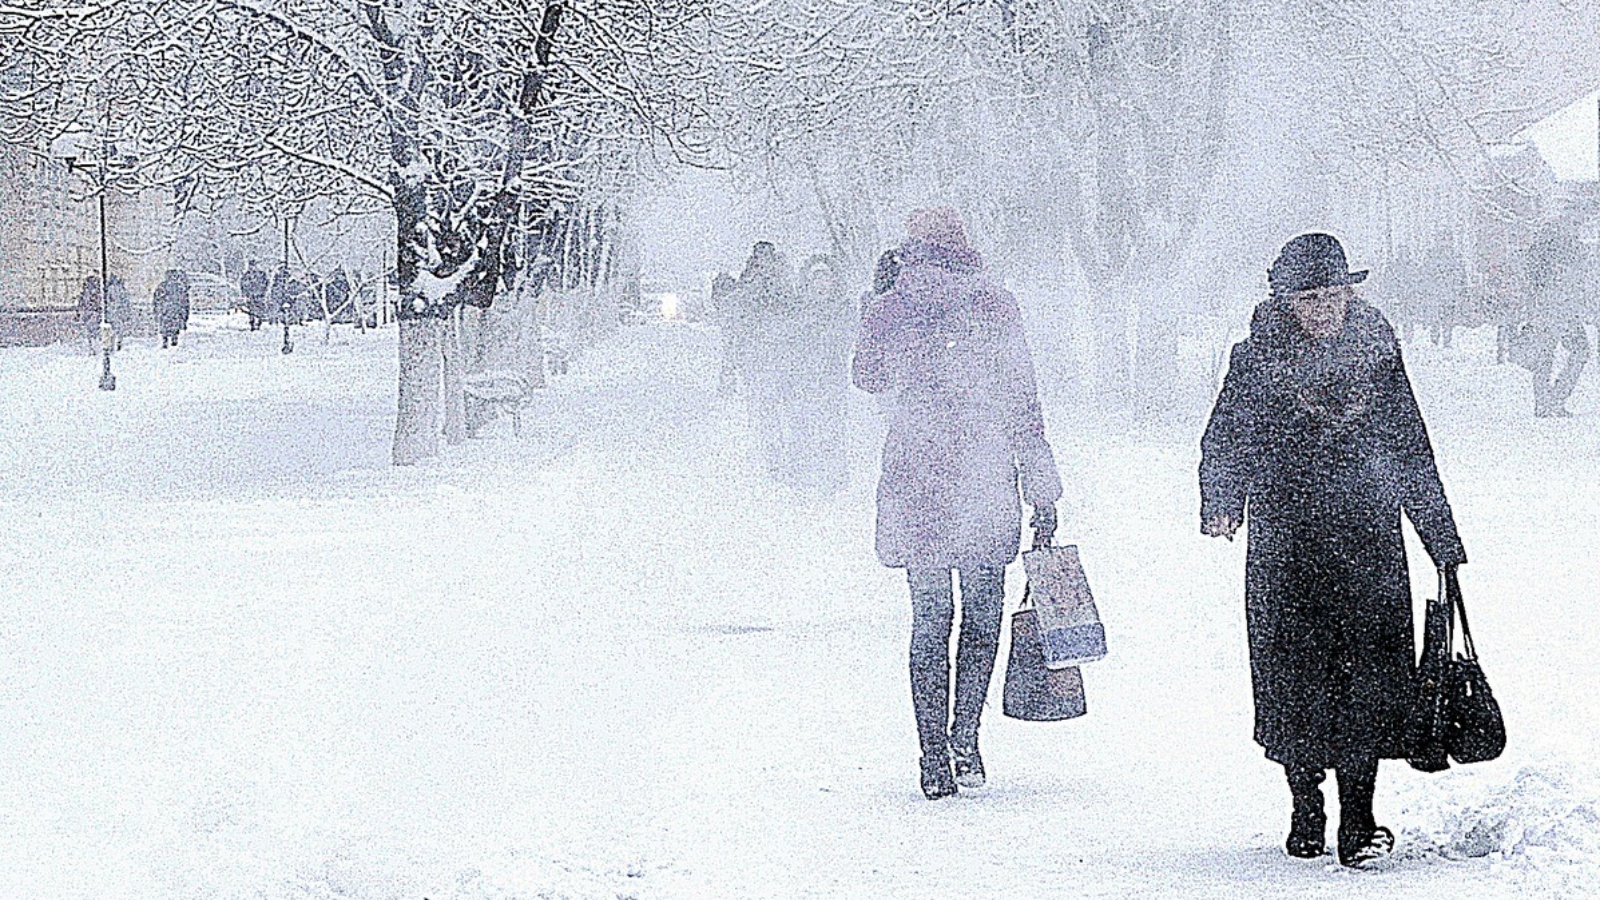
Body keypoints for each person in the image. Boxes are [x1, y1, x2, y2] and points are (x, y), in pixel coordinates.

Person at [1199, 233, 1467, 868]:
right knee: (1295, 678)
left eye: (1335, 294)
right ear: (1287, 301)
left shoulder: (1377, 354)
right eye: (1309, 298)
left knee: (1369, 679)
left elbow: (1410, 446)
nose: (1324, 308)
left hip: (1367, 539)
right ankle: (1304, 805)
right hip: (1286, 544)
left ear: (1351, 292)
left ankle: (1360, 816)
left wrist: (1441, 536)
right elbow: (1226, 435)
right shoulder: (1256, 359)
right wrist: (1221, 497)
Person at [853, 207, 1062, 800]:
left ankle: (931, 756)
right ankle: (965, 738)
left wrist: (879, 305)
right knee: (981, 615)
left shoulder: (892, 305)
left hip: (916, 474)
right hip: (986, 469)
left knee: (929, 618)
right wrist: (1041, 487)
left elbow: (865, 378)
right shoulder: (995, 304)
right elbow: (1024, 396)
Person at [1520, 228, 1590, 417]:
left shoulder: (1539, 253)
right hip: (1560, 311)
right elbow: (1573, 283)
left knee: (1546, 356)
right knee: (1578, 351)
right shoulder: (1564, 252)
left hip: (1547, 311)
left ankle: (1545, 402)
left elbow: (1531, 285)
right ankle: (1554, 399)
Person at [153, 268, 191, 348]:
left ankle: (166, 339)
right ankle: (173, 338)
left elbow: (156, 299)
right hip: (175, 310)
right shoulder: (180, 287)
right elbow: (185, 301)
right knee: (174, 325)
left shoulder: (162, 286)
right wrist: (184, 314)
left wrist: (156, 310)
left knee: (166, 326)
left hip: (165, 311)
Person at [240, 260, 269, 331]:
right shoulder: (246, 275)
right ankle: (252, 324)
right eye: (251, 266)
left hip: (260, 295)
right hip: (251, 295)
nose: (253, 267)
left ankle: (259, 323)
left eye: (254, 265)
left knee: (260, 310)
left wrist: (264, 292)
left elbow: (266, 283)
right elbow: (243, 284)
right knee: (251, 311)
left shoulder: (262, 274)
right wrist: (245, 294)